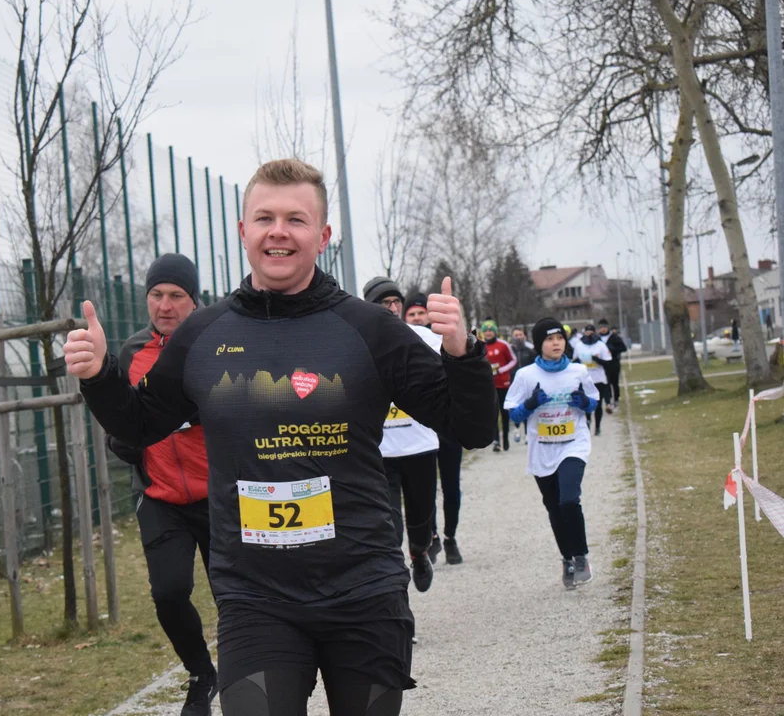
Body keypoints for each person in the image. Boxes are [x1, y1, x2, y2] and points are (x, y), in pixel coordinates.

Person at [65, 158, 497, 715]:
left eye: (296, 219)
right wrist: (100, 376)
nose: (278, 231)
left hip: (362, 589)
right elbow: (139, 426)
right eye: (264, 217)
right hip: (254, 597)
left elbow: (473, 428)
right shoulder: (203, 333)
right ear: (243, 231)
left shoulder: (371, 330)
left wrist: (464, 356)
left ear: (322, 235)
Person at [104, 253, 218, 715]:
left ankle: (252, 671)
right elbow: (121, 418)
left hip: (220, 494)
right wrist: (130, 443)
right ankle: (201, 674)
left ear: (194, 301)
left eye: (176, 296)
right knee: (168, 593)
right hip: (160, 495)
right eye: (156, 295)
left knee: (237, 593)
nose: (165, 305)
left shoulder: (216, 344)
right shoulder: (131, 352)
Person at [505, 318, 599, 589]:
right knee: (555, 508)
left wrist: (584, 402)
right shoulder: (526, 375)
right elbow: (513, 411)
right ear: (539, 344)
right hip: (542, 450)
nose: (556, 343)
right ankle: (567, 559)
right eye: (549, 339)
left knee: (569, 500)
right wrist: (531, 404)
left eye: (559, 338)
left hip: (574, 444)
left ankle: (581, 557)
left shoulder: (578, 371)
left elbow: (592, 403)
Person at [363, 277, 444, 589]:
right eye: (385, 303)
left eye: (397, 302)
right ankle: (397, 593)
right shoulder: (358, 341)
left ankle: (420, 552)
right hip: (379, 451)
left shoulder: (425, 338)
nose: (394, 308)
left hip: (420, 445)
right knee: (389, 528)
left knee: (421, 518)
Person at [399, 292, 465, 564]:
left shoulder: (444, 341)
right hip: (421, 428)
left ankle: (450, 537)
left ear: (429, 315)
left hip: (446, 426)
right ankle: (432, 536)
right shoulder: (403, 345)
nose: (417, 318)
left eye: (420, 313)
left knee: (450, 486)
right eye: (411, 314)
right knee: (425, 488)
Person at [481, 319, 517, 451]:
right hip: (488, 385)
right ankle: (495, 440)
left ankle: (505, 439)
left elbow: (513, 360)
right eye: (486, 331)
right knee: (492, 414)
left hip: (503, 383)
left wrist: (501, 369)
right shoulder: (481, 346)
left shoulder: (503, 345)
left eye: (491, 331)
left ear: (495, 332)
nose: (488, 333)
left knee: (504, 412)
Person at [570, 323, 611, 435]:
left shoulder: (600, 345)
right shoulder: (579, 345)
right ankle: (587, 421)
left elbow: (608, 362)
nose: (589, 335)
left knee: (597, 404)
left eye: (591, 332)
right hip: (584, 379)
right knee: (585, 402)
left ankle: (597, 426)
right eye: (587, 332)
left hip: (599, 379)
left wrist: (597, 360)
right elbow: (575, 360)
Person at [508, 328, 535, 443]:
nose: (518, 337)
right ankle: (517, 427)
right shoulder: (509, 350)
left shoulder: (530, 351)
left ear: (524, 336)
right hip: (512, 382)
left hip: (526, 383)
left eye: (520, 334)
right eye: (516, 335)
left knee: (526, 406)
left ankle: (527, 433)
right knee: (515, 406)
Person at [597, 319, 627, 407]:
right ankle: (608, 400)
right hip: (603, 364)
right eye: (601, 327)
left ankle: (616, 398)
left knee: (615, 382)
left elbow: (623, 348)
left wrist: (613, 349)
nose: (603, 329)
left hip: (614, 363)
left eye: (605, 327)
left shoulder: (614, 337)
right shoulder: (597, 338)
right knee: (606, 383)